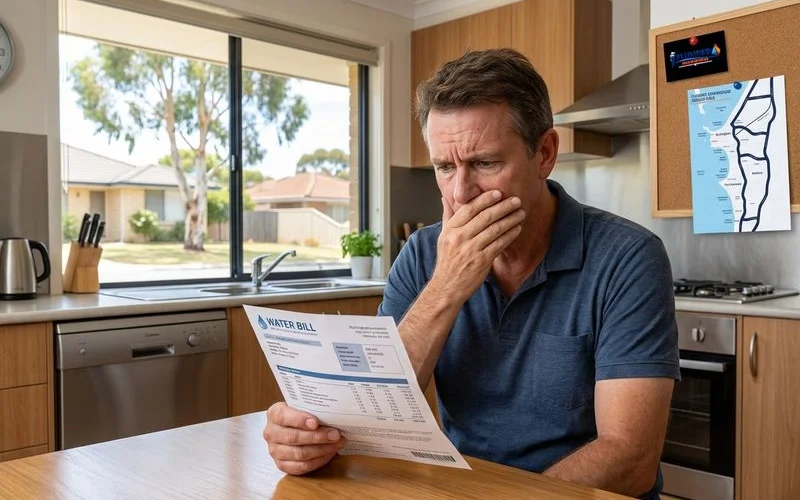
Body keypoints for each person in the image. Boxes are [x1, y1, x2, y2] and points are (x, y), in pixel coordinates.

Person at [262, 48, 679, 500]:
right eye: (444, 168)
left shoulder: (629, 257)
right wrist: (308, 438)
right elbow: (369, 419)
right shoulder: (424, 253)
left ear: (544, 153)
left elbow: (630, 459)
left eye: (485, 163)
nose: (461, 193)